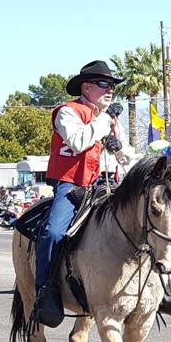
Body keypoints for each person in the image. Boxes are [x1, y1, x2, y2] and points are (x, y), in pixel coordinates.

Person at [33, 60, 126, 327]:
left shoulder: (109, 121)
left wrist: (119, 147)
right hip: (73, 185)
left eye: (111, 86)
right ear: (86, 87)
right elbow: (78, 142)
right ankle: (45, 290)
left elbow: (123, 157)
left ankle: (160, 285)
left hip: (107, 184)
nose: (110, 90)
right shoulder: (68, 112)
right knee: (53, 232)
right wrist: (104, 122)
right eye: (104, 85)